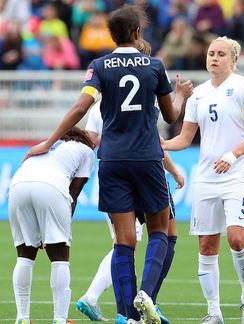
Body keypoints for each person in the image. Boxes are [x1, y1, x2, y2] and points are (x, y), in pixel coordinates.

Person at [25, 5, 191, 324]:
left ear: (110, 35)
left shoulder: (99, 66)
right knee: (160, 230)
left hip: (112, 161)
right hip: (146, 158)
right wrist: (180, 95)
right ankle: (146, 294)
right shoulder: (154, 66)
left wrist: (49, 141)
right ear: (136, 33)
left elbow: (80, 107)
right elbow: (171, 117)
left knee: (124, 242)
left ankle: (128, 315)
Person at [162, 36, 244, 324]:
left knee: (236, 238)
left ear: (234, 60)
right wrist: (164, 144)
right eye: (211, 53)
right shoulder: (199, 95)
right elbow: (185, 137)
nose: (214, 58)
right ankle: (214, 311)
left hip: (239, 174)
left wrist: (233, 155)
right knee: (207, 247)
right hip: (207, 178)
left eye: (221, 54)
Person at [76, 61, 189, 323]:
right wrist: (173, 171)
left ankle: (123, 311)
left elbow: (91, 141)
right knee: (163, 235)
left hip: (113, 172)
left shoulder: (97, 107)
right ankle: (147, 297)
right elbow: (155, 142)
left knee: (122, 244)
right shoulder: (145, 98)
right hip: (146, 171)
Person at [10, 128, 95, 324]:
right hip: (51, 186)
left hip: (17, 185)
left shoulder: (50, 144)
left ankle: (22, 318)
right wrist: (60, 231)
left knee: (24, 255)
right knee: (60, 257)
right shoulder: (87, 151)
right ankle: (60, 319)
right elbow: (73, 193)